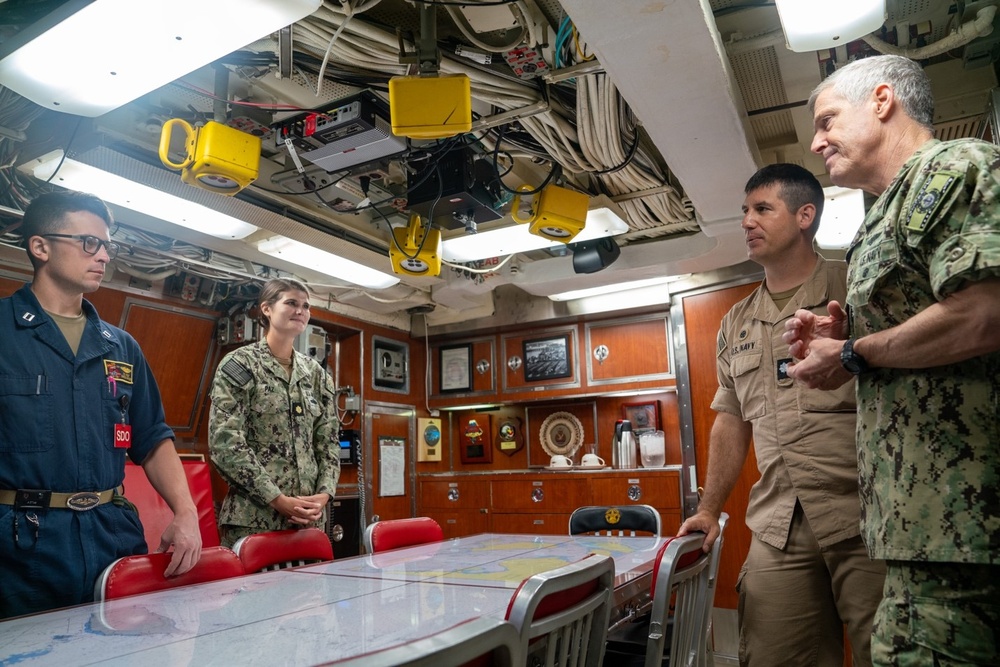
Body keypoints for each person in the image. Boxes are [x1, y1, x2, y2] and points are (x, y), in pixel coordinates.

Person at [785, 54, 1000, 664]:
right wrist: (845, 329)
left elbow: (984, 311)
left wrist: (852, 352)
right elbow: (925, 318)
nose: (816, 139)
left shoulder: (956, 168)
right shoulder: (881, 214)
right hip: (920, 523)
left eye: (828, 119)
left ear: (882, 101)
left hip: (968, 523)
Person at [678, 164, 885, 666]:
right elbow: (730, 418)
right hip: (779, 526)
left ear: (805, 215)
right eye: (745, 211)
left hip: (867, 516)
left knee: (894, 654)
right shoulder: (736, 321)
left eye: (762, 209)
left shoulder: (856, 286)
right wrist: (708, 509)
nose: (747, 221)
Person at [0, 190, 202, 619]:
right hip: (20, 546)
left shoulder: (120, 346)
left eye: (108, 245)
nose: (104, 255)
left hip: (110, 534)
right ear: (41, 247)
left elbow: (152, 438)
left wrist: (186, 512)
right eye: (89, 243)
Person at [208, 278, 340, 548]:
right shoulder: (240, 365)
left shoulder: (317, 375)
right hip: (255, 520)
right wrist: (277, 499)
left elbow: (328, 443)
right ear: (266, 309)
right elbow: (225, 443)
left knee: (313, 591)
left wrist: (324, 494)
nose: (300, 311)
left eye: (305, 306)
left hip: (308, 521)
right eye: (291, 303)